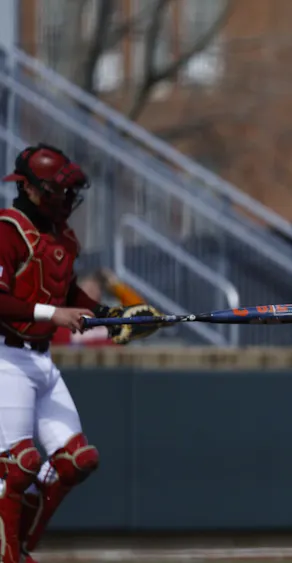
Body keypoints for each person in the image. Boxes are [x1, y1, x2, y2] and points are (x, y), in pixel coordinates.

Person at [0, 143, 163, 563]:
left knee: (76, 460)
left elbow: (66, 291)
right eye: (59, 190)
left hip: (39, 359)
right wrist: (54, 314)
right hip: (6, 358)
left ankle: (19, 546)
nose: (68, 198)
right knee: (17, 467)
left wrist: (113, 317)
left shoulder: (62, 236)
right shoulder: (8, 228)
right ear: (33, 189)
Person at [51, 269, 147, 347]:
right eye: (84, 290)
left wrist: (115, 285)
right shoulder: (63, 323)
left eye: (93, 290)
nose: (89, 294)